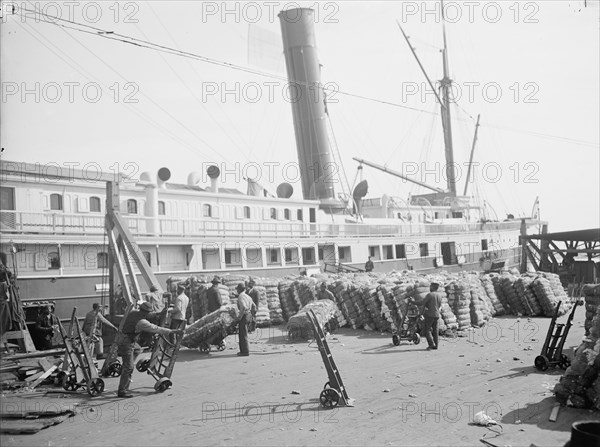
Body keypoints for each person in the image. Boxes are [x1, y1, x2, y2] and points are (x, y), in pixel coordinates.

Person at [116, 301, 182, 398]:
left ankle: (126, 364)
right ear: (145, 313)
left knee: (138, 350)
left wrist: (161, 313)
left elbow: (151, 316)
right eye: (148, 313)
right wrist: (172, 331)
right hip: (126, 342)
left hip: (126, 338)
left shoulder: (134, 313)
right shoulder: (142, 322)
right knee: (129, 367)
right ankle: (122, 390)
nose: (149, 314)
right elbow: (155, 328)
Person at [411, 282, 443, 350]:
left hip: (429, 315)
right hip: (437, 315)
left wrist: (412, 302)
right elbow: (439, 305)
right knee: (435, 330)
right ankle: (436, 345)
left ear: (433, 287)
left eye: (430, 287)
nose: (429, 288)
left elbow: (421, 302)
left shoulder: (430, 295)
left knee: (427, 330)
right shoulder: (440, 295)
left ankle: (431, 344)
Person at [235, 283, 256, 357]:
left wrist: (239, 317)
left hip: (244, 315)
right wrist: (252, 315)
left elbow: (243, 307)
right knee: (245, 333)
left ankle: (244, 351)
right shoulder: (248, 296)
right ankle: (244, 350)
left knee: (242, 334)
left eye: (237, 289)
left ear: (239, 290)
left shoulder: (241, 296)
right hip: (249, 314)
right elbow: (254, 306)